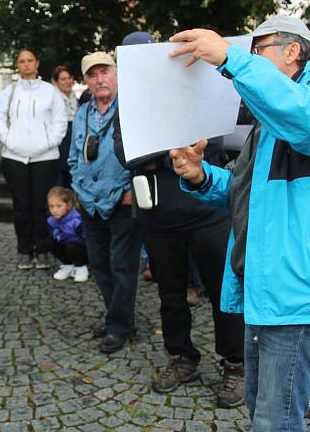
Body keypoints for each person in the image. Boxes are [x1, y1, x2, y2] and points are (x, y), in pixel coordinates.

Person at [169, 15, 310, 431]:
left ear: (292, 51)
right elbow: (242, 189)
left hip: (299, 292)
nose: (251, 58)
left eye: (257, 50)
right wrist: (200, 175)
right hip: (264, 292)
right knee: (259, 406)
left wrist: (230, 58)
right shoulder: (272, 119)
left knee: (275, 420)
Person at [113, 30, 245, 406]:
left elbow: (213, 142)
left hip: (207, 213)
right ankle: (182, 357)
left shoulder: (190, 84)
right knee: (171, 296)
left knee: (223, 296)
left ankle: (234, 365)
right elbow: (126, 154)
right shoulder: (128, 104)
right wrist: (163, 149)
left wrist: (153, 152)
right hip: (157, 218)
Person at [69, 51, 141, 355]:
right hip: (89, 202)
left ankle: (118, 327)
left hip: (122, 200)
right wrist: (76, 186)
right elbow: (73, 156)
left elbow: (142, 155)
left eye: (105, 73)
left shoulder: (132, 109)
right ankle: (119, 316)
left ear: (116, 75)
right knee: (99, 264)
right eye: (93, 75)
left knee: (122, 266)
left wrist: (132, 191)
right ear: (86, 81)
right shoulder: (82, 113)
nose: (100, 80)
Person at [0, 48, 67, 270]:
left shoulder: (49, 91)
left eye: (29, 60)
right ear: (18, 65)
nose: (26, 64)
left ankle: (43, 249)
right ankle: (24, 250)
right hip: (15, 157)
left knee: (42, 206)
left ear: (37, 63)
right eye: (21, 61)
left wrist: (49, 142)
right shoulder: (10, 91)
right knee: (21, 206)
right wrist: (8, 141)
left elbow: (59, 120)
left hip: (46, 156)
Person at [44, 186, 89, 282]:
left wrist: (63, 237)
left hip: (82, 250)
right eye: (51, 206)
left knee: (72, 245)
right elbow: (53, 234)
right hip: (66, 245)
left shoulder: (77, 220)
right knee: (48, 242)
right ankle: (68, 265)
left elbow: (85, 240)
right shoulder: (51, 219)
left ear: (68, 205)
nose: (54, 210)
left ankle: (81, 266)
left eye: (59, 206)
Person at [52, 65, 79, 187]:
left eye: (69, 78)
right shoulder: (52, 98)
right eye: (63, 79)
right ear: (56, 82)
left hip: (76, 142)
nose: (67, 81)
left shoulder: (75, 97)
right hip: (61, 145)